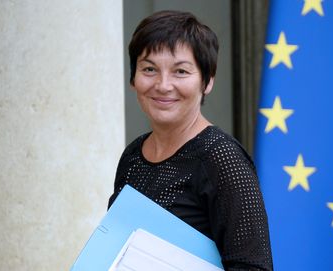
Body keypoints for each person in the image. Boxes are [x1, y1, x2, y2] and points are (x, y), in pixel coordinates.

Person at [107, 10, 273, 270]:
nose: (163, 85)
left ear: (207, 82)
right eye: (149, 69)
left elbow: (254, 266)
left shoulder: (223, 159)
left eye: (180, 71)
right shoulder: (132, 157)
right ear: (133, 79)